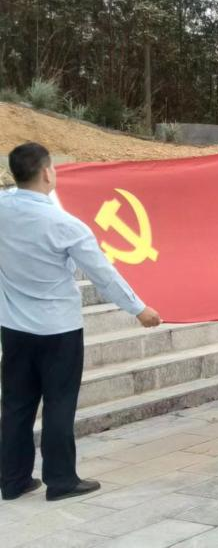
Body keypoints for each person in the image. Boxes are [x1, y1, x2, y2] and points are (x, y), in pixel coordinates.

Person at [0, 142, 162, 502]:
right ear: (47, 173)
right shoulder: (65, 224)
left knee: (15, 404)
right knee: (58, 403)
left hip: (13, 328)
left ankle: (12, 480)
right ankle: (61, 480)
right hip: (58, 330)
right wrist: (139, 309)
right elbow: (103, 274)